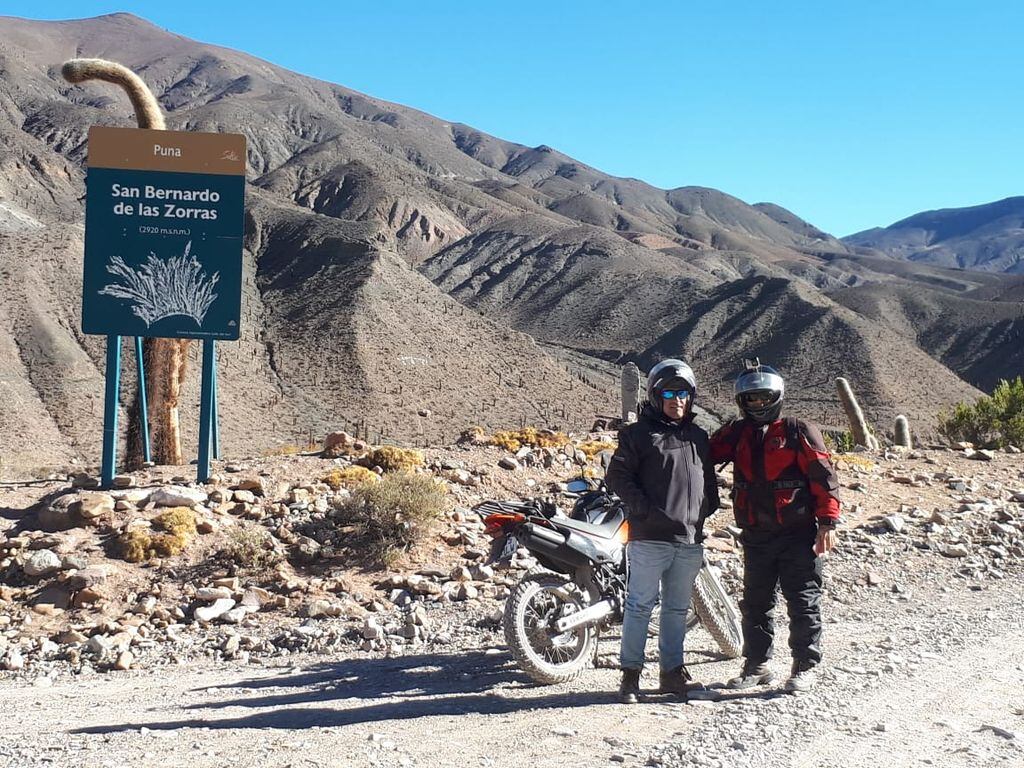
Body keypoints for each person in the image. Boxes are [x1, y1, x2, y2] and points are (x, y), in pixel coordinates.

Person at [710, 359, 840, 693]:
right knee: (755, 603)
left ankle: (805, 666)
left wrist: (828, 522)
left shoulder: (798, 431)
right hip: (756, 534)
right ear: (741, 401)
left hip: (799, 533)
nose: (757, 404)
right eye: (750, 399)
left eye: (763, 397)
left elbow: (824, 477)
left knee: (803, 600)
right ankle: (758, 665)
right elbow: (702, 453)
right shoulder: (736, 434)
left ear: (777, 397)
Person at [605, 358, 720, 704]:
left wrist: (705, 511)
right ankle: (630, 677)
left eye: (683, 392)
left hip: (688, 539)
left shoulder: (698, 436)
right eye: (669, 392)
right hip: (649, 538)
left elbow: (708, 483)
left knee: (676, 609)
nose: (677, 399)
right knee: (640, 606)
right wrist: (644, 510)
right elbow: (617, 477)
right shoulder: (638, 434)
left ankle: (672, 673)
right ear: (656, 395)